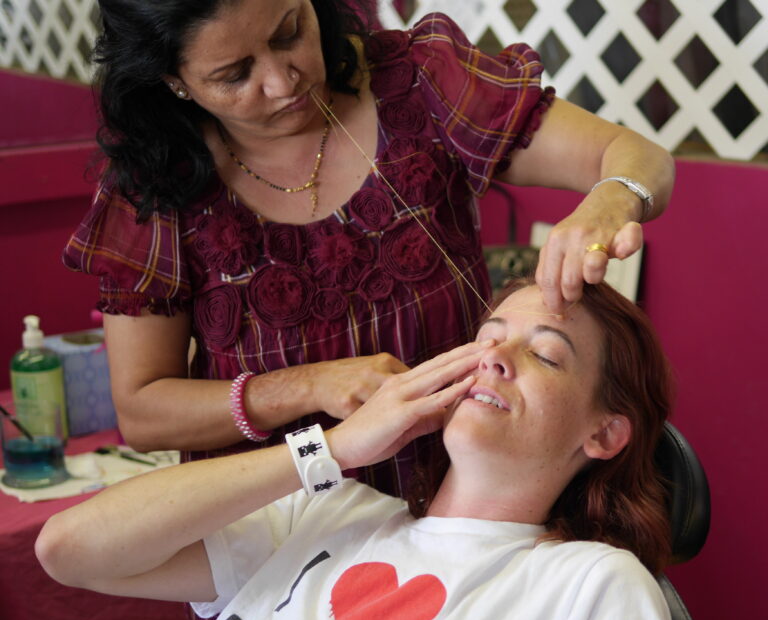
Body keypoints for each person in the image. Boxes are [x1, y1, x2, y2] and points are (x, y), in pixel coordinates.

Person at [37, 279, 706, 620]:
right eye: (488, 339)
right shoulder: (323, 515)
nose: (494, 359)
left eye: (547, 355)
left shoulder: (587, 586)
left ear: (604, 433)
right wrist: (326, 450)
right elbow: (70, 548)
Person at [62, 0, 675, 497]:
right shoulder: (158, 184)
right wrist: (311, 387)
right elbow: (143, 410)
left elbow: (640, 157)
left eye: (288, 32)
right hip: (277, 543)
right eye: (234, 75)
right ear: (174, 83)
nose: (283, 80)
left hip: (463, 504)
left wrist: (611, 199)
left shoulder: (420, 82)